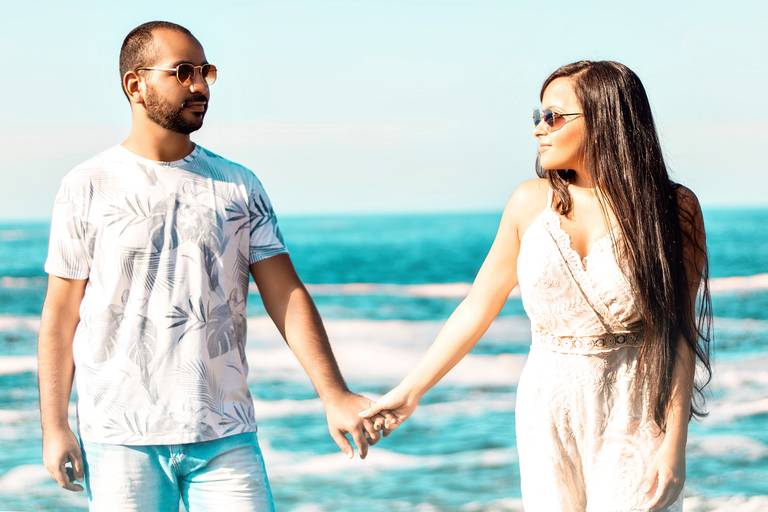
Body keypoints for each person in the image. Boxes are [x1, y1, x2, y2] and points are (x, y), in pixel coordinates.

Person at [38, 20, 388, 511]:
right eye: (183, 71)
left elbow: (285, 293)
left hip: (225, 433)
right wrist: (55, 426)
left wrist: (334, 394)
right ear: (135, 85)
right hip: (119, 437)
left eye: (206, 72)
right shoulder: (87, 185)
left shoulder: (238, 185)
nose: (200, 86)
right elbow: (60, 315)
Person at [360, 60, 712, 511]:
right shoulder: (528, 203)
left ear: (605, 118)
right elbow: (478, 306)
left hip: (635, 411)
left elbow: (680, 333)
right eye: (537, 116)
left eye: (553, 117)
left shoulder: (673, 209)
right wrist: (410, 391)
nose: (538, 129)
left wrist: (674, 443)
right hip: (547, 409)